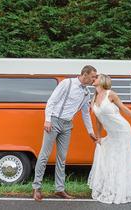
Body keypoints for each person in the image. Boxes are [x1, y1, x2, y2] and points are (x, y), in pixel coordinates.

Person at [32, 65, 98, 201]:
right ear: (85, 74)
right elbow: (52, 101)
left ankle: (59, 189)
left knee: (62, 158)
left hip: (68, 125)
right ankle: (36, 188)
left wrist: (90, 132)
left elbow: (85, 114)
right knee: (44, 155)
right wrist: (47, 120)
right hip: (54, 121)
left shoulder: (87, 93)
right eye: (92, 76)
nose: (94, 79)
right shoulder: (66, 83)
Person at [87, 74, 131, 204]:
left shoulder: (111, 94)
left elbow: (124, 109)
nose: (93, 79)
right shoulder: (94, 98)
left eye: (96, 77)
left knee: (121, 159)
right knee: (109, 157)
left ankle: (124, 191)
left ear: (102, 81)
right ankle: (113, 188)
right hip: (111, 134)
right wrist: (98, 138)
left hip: (122, 130)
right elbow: (98, 121)